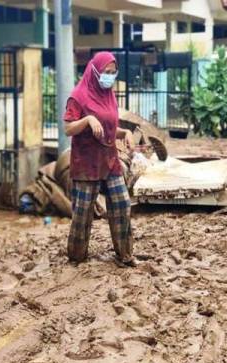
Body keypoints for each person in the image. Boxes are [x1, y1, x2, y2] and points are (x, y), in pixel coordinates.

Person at [63, 51, 136, 268]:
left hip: (109, 160)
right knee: (83, 214)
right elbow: (68, 128)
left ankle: (125, 254)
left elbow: (110, 126)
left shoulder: (109, 95)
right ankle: (77, 256)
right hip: (86, 163)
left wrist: (125, 134)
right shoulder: (78, 96)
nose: (110, 77)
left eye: (114, 73)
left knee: (122, 204)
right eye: (106, 72)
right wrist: (87, 119)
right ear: (94, 72)